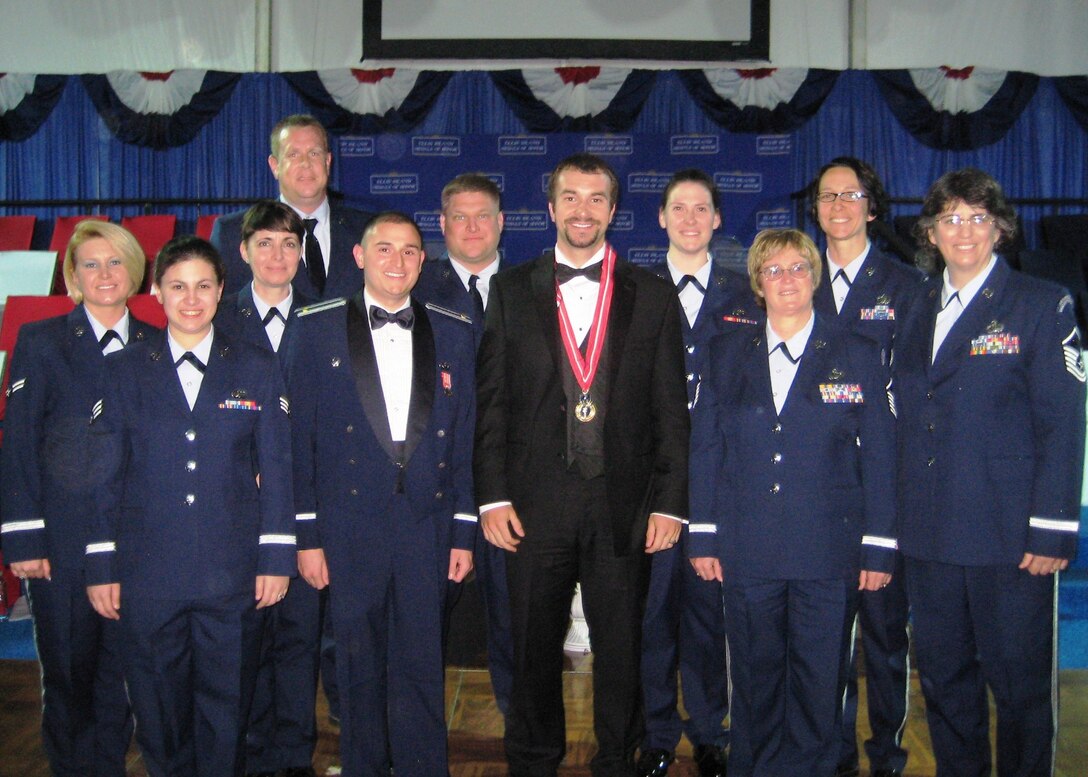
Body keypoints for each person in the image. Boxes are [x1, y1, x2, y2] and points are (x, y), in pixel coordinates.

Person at [474, 153, 690, 776]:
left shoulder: (651, 295)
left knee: (622, 644)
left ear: (614, 211)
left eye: (596, 199)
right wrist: (492, 497)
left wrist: (671, 503)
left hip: (625, 503)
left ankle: (618, 760)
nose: (583, 211)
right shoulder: (511, 289)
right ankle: (534, 760)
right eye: (571, 197)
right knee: (532, 644)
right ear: (549, 208)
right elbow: (492, 403)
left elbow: (670, 408)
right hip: (533, 502)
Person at [894, 168, 1085, 777]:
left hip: (1010, 539)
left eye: (978, 217)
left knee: (1021, 692)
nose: (964, 231)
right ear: (931, 232)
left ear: (1000, 229)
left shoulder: (1040, 303)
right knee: (947, 687)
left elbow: (1062, 421)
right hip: (930, 535)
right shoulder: (914, 304)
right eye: (950, 219)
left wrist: (1052, 527)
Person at [689, 228, 898, 777]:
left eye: (798, 268)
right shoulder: (726, 351)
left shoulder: (857, 351)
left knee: (820, 676)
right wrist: (704, 533)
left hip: (828, 548)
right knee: (755, 678)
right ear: (757, 282)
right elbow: (707, 445)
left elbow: (879, 452)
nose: (787, 279)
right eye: (773, 270)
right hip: (747, 545)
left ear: (815, 276)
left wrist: (878, 546)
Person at [85, 236, 296, 777]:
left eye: (204, 285)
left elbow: (276, 467)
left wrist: (275, 557)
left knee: (228, 708)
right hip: (148, 576)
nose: (192, 298)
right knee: (158, 712)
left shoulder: (255, 366)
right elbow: (105, 478)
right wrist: (102, 565)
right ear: (156, 291)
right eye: (178, 286)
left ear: (222, 290)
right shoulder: (123, 370)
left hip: (232, 574)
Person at [288, 211, 477, 776]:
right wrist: (308, 535)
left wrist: (464, 530)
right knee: (357, 664)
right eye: (386, 249)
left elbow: (465, 439)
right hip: (348, 523)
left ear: (424, 261)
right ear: (360, 257)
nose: (398, 262)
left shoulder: (455, 330)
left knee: (422, 660)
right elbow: (299, 441)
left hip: (428, 522)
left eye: (411, 251)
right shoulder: (314, 327)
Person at [1, 220, 155, 777]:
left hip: (135, 546)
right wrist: (23, 536)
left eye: (115, 262)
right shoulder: (41, 343)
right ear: (72, 275)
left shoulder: (157, 344)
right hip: (61, 544)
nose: (104, 274)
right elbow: (17, 443)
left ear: (134, 270)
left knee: (119, 675)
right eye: (90, 263)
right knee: (69, 674)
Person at [638, 169, 757, 777]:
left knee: (710, 617)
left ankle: (711, 731)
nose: (689, 219)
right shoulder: (631, 288)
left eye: (701, 209)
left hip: (724, 482)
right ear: (660, 218)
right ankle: (657, 733)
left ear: (716, 220)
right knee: (652, 615)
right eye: (677, 208)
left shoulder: (749, 293)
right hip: (650, 486)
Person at [808, 156, 921, 777]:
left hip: (883, 489)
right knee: (827, 639)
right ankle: (832, 757)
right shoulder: (794, 278)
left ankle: (891, 756)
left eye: (851, 196)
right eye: (828, 196)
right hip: (814, 488)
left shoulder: (908, 288)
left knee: (883, 636)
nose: (839, 206)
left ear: (872, 208)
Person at [214, 201, 318, 777]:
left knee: (299, 642)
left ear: (301, 254)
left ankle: (293, 757)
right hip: (233, 512)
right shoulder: (215, 318)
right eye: (266, 243)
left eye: (288, 244)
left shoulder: (329, 316)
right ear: (245, 250)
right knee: (242, 646)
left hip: (305, 507)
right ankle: (248, 757)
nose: (277, 255)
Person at [414, 172, 514, 716]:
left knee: (514, 616)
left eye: (483, 216)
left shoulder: (531, 287)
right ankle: (414, 734)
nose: (472, 227)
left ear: (501, 223)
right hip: (432, 482)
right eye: (460, 217)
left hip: (512, 482)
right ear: (442, 225)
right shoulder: (412, 288)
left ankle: (521, 730)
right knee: (422, 618)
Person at [210, 113, 375, 299]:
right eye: (293, 154)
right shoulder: (232, 232)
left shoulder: (369, 230)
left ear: (328, 162)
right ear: (275, 166)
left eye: (314, 153)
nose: (305, 163)